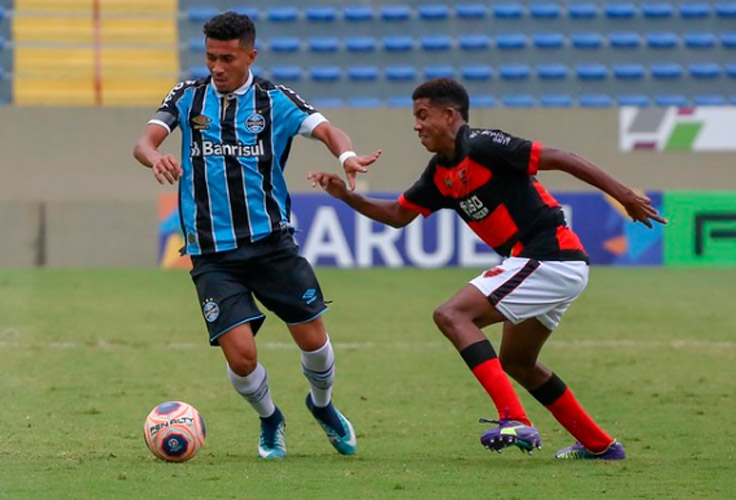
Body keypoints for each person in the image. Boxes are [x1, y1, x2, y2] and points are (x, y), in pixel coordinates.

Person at [308, 78, 666, 460]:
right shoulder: (440, 172)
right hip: (545, 264)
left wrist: (625, 195)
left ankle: (515, 418)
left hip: (548, 257)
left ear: (450, 115)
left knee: (452, 315)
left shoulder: (483, 145)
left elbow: (562, 158)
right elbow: (397, 214)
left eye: (423, 115)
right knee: (518, 362)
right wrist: (346, 196)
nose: (416, 125)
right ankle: (601, 446)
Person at [133, 11, 380, 460]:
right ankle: (270, 420)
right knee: (241, 356)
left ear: (250, 55)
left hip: (271, 245)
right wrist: (155, 157)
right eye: (211, 57)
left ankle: (322, 405)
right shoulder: (188, 96)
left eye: (227, 58)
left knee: (314, 341)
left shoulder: (274, 101)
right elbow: (144, 142)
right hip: (212, 253)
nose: (217, 67)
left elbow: (327, 129)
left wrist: (346, 155)